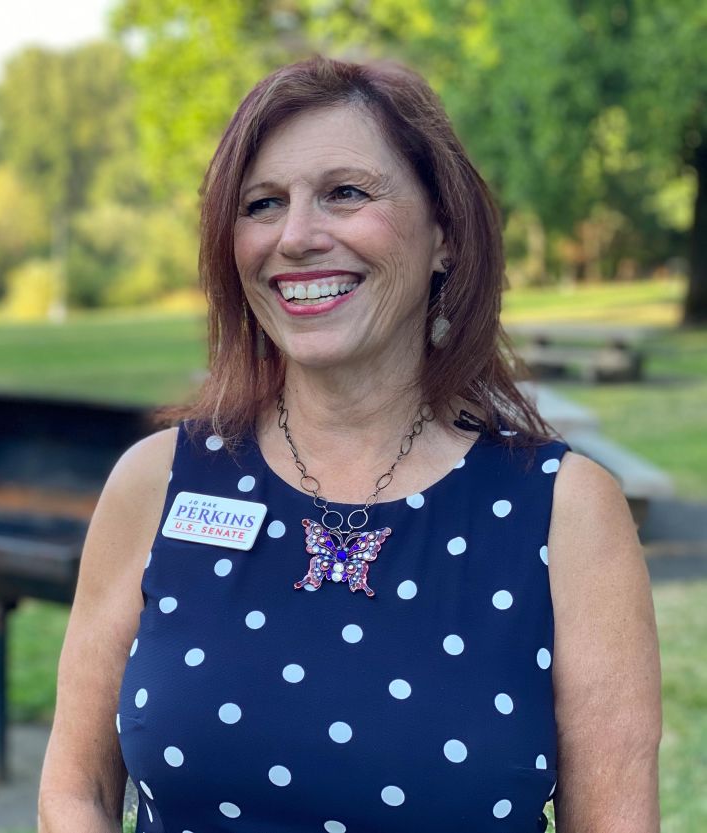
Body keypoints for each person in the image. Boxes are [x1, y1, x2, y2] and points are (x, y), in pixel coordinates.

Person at [38, 56, 661, 833]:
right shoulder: (156, 482)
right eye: (262, 203)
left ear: (446, 236)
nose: (296, 236)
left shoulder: (565, 514)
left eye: (345, 192)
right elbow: (76, 787)